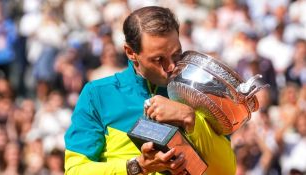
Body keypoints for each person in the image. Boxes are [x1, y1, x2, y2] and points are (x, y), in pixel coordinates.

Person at [64, 6, 235, 175]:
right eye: (158, 59)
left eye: (176, 54)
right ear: (130, 52)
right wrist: (138, 167)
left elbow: (227, 171)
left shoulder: (197, 93)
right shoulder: (97, 94)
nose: (171, 67)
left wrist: (190, 118)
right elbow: (75, 170)